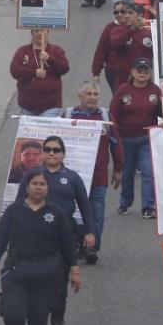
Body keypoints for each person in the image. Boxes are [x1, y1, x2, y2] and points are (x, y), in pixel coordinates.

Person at [0, 166, 81, 325]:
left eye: (43, 184)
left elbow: (67, 244)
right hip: (16, 271)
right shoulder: (14, 211)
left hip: (46, 274)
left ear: (48, 188)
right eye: (34, 184)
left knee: (38, 321)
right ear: (27, 187)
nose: (38, 188)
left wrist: (75, 270)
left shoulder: (56, 214)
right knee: (13, 316)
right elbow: (0, 239)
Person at [38, 135, 94, 325]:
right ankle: (38, 320)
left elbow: (85, 206)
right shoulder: (34, 176)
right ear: (43, 153)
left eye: (56, 150)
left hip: (65, 235)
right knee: (38, 279)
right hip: (38, 235)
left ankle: (57, 322)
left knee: (60, 281)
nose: (51, 153)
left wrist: (89, 231)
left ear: (63, 154)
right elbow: (19, 205)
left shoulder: (72, 178)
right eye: (47, 149)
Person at [66, 81, 119, 262]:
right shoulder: (67, 115)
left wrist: (118, 169)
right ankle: (75, 244)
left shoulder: (104, 116)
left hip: (98, 177)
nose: (92, 98)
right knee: (73, 212)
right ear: (79, 96)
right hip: (71, 177)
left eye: (95, 95)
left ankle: (92, 248)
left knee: (96, 212)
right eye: (88, 94)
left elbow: (116, 143)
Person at [111, 58, 163, 218]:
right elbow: (113, 114)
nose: (142, 73)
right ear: (132, 72)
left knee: (148, 172)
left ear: (150, 73)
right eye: (139, 70)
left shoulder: (155, 91)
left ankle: (148, 207)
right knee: (127, 173)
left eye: (146, 70)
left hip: (147, 138)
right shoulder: (122, 90)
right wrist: (115, 136)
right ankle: (125, 203)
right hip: (126, 139)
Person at [11, 28, 69, 115]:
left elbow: (65, 68)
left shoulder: (55, 50)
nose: (39, 34)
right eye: (36, 31)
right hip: (28, 106)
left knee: (46, 126)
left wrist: (49, 59)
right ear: (32, 33)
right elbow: (15, 70)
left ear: (47, 32)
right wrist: (34, 73)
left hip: (51, 106)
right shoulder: (23, 51)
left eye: (42, 31)